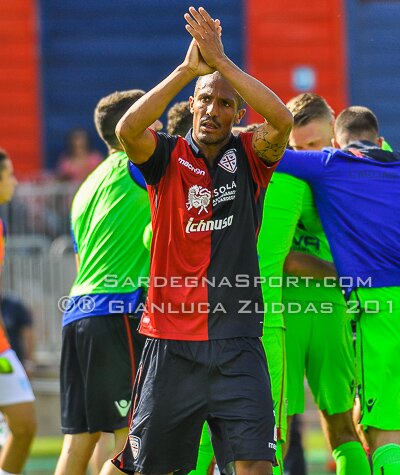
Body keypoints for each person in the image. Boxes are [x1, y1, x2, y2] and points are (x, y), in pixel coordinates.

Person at [112, 7, 292, 475]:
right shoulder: (165, 157)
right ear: (192, 104)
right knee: (155, 468)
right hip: (171, 343)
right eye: (205, 100)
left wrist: (223, 63)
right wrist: (189, 70)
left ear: (237, 114)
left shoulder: (252, 155)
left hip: (238, 342)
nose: (213, 110)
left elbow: (281, 120)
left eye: (224, 103)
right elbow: (127, 129)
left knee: (255, 467)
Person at [277, 106, 400, 474]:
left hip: (385, 313)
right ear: (380, 141)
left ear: (334, 144)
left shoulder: (330, 164)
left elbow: (271, 157)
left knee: (383, 437)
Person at [54, 90, 157, 475]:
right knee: (130, 436)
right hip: (116, 311)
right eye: (153, 116)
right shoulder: (137, 161)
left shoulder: (85, 187)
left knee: (78, 441)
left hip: (76, 314)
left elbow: (81, 258)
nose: (159, 124)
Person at [281, 93, 369, 475]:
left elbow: (281, 257)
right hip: (289, 313)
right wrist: (343, 273)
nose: (309, 157)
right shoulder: (290, 177)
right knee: (274, 432)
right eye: (299, 149)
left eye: (316, 146)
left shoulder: (354, 174)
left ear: (335, 134)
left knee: (339, 426)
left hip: (320, 314)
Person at [0, 148, 37, 475]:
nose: (14, 180)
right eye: (9, 173)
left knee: (25, 425)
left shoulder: (1, 224)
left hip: (0, 346)